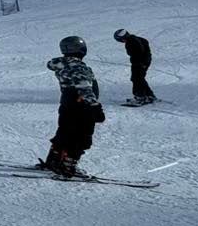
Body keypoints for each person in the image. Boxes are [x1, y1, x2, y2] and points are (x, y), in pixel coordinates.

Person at [43, 36, 104, 177]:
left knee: (65, 131)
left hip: (67, 104)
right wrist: (95, 107)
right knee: (81, 136)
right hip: (81, 106)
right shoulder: (78, 66)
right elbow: (84, 88)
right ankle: (68, 165)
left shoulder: (62, 64)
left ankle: (54, 160)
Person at [114, 28, 156, 104]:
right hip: (143, 62)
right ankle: (149, 95)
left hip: (139, 63)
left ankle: (140, 97)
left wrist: (141, 63)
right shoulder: (135, 39)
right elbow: (145, 44)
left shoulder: (132, 41)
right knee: (140, 78)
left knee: (136, 79)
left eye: (119, 40)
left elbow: (140, 51)